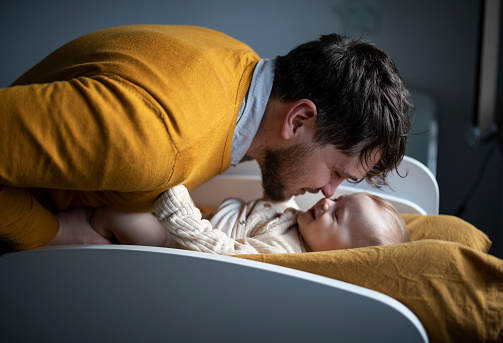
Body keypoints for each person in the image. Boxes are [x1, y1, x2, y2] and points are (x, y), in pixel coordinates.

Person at [0, 25, 413, 250]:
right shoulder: (156, 140)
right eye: (337, 170)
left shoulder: (236, 59)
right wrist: (50, 232)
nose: (328, 189)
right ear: (299, 118)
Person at [89, 185, 410, 254]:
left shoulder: (283, 253)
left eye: (337, 215)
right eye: (338, 200)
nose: (327, 202)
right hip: (196, 223)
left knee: (114, 214)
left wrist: (177, 209)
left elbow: (225, 256)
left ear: (338, 256)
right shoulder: (303, 223)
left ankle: (76, 234)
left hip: (177, 243)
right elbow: (282, 199)